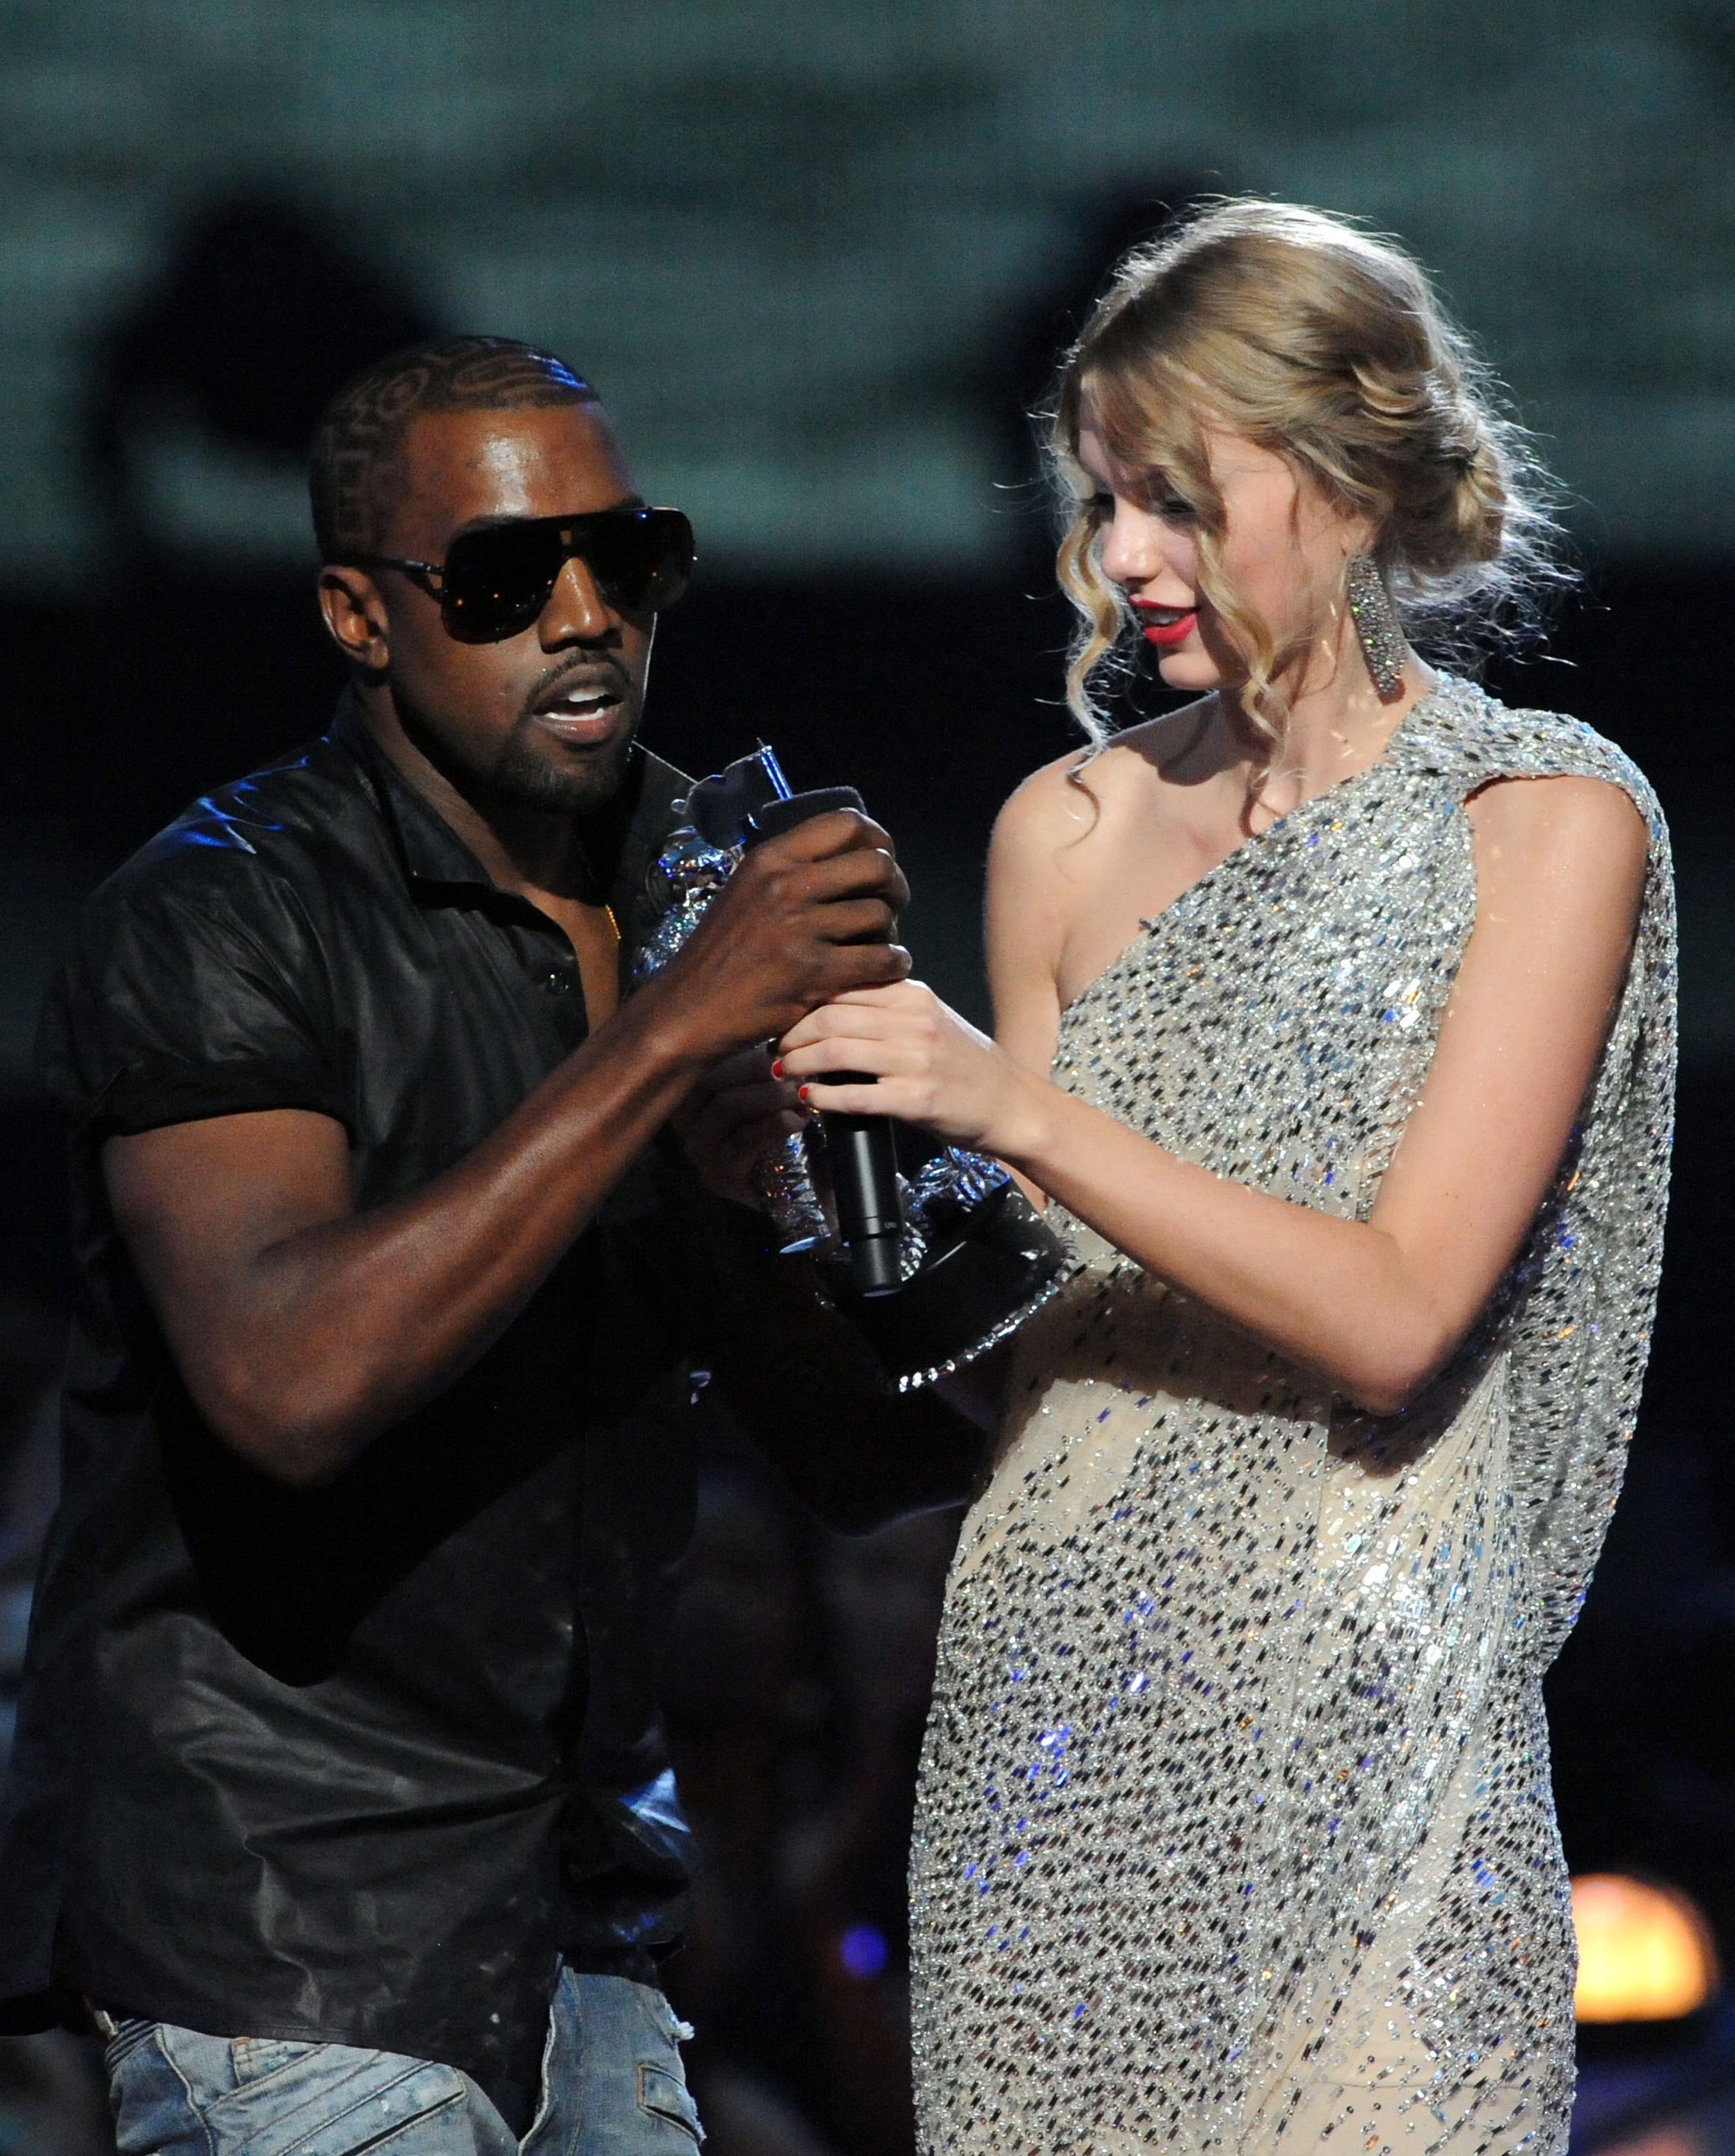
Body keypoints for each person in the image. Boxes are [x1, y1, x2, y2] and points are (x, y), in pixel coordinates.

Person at [0, 334, 983, 2155]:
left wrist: (800, 1176)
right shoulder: (221, 915)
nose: (589, 613)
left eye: (634, 556)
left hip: (593, 1920)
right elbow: (290, 1384)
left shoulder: (698, 879)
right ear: (359, 618)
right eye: (510, 576)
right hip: (289, 1929)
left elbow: (869, 1457)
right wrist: (671, 1032)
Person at [776, 203, 1675, 2152]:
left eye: (1176, 500)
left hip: (1367, 1732)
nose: (1118, 558)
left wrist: (1010, 1108)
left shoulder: (1540, 819)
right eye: (1104, 500)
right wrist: (819, 1169)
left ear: (1353, 486)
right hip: (1054, 1730)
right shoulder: (1067, 829)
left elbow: (1393, 1309)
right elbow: (1012, 1339)